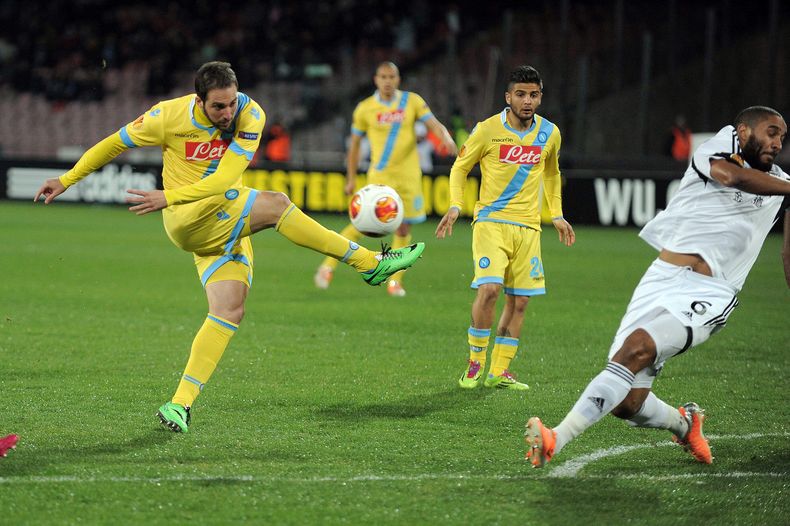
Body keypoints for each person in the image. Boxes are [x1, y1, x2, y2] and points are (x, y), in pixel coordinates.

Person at [34, 61, 425, 434]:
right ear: (199, 101)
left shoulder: (250, 115)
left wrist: (168, 196)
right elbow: (113, 144)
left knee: (228, 311)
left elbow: (224, 180)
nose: (226, 112)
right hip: (189, 221)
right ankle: (368, 263)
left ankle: (179, 403)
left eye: (231, 102)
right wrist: (68, 179)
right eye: (217, 106)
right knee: (276, 204)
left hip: (220, 216)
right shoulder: (167, 117)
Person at [525, 106, 789, 467]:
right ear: (743, 132)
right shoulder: (718, 148)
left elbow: (787, 255)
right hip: (661, 277)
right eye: (771, 132)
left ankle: (557, 437)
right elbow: (732, 178)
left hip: (710, 293)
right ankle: (685, 424)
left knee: (637, 348)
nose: (777, 142)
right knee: (626, 401)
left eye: (782, 137)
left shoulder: (781, 185)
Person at [435, 65, 575, 391]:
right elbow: (460, 167)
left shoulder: (550, 133)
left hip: (529, 228)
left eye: (534, 95)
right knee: (489, 290)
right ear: (508, 96)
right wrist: (455, 205)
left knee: (520, 301)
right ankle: (475, 363)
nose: (527, 101)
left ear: (540, 97)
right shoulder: (486, 130)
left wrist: (555, 213)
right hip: (491, 223)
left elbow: (552, 173)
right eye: (521, 94)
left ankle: (499, 371)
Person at [314, 61, 457, 297]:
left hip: (409, 178)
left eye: (392, 77)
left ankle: (394, 281)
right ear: (376, 80)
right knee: (362, 224)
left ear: (398, 79)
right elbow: (355, 147)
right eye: (383, 77)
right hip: (380, 177)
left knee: (402, 229)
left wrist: (446, 138)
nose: (387, 81)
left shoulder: (412, 101)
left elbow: (434, 124)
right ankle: (327, 267)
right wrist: (350, 178)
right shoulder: (365, 108)